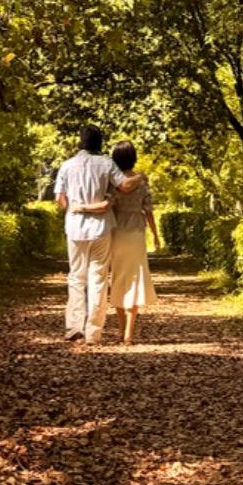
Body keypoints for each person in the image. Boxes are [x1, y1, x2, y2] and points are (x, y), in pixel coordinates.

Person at [53, 123, 143, 344]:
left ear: (80, 142)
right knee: (98, 278)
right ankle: (94, 332)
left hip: (74, 227)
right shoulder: (106, 163)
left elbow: (59, 199)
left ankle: (74, 326)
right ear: (100, 143)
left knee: (76, 277)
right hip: (100, 228)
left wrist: (73, 209)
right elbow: (126, 186)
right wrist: (140, 176)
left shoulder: (67, 165)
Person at [107, 140, 159, 344]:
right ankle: (129, 331)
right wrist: (155, 235)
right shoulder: (141, 182)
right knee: (135, 279)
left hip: (116, 233)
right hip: (136, 234)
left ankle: (120, 329)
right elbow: (149, 211)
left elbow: (108, 206)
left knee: (118, 278)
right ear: (134, 157)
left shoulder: (113, 182)